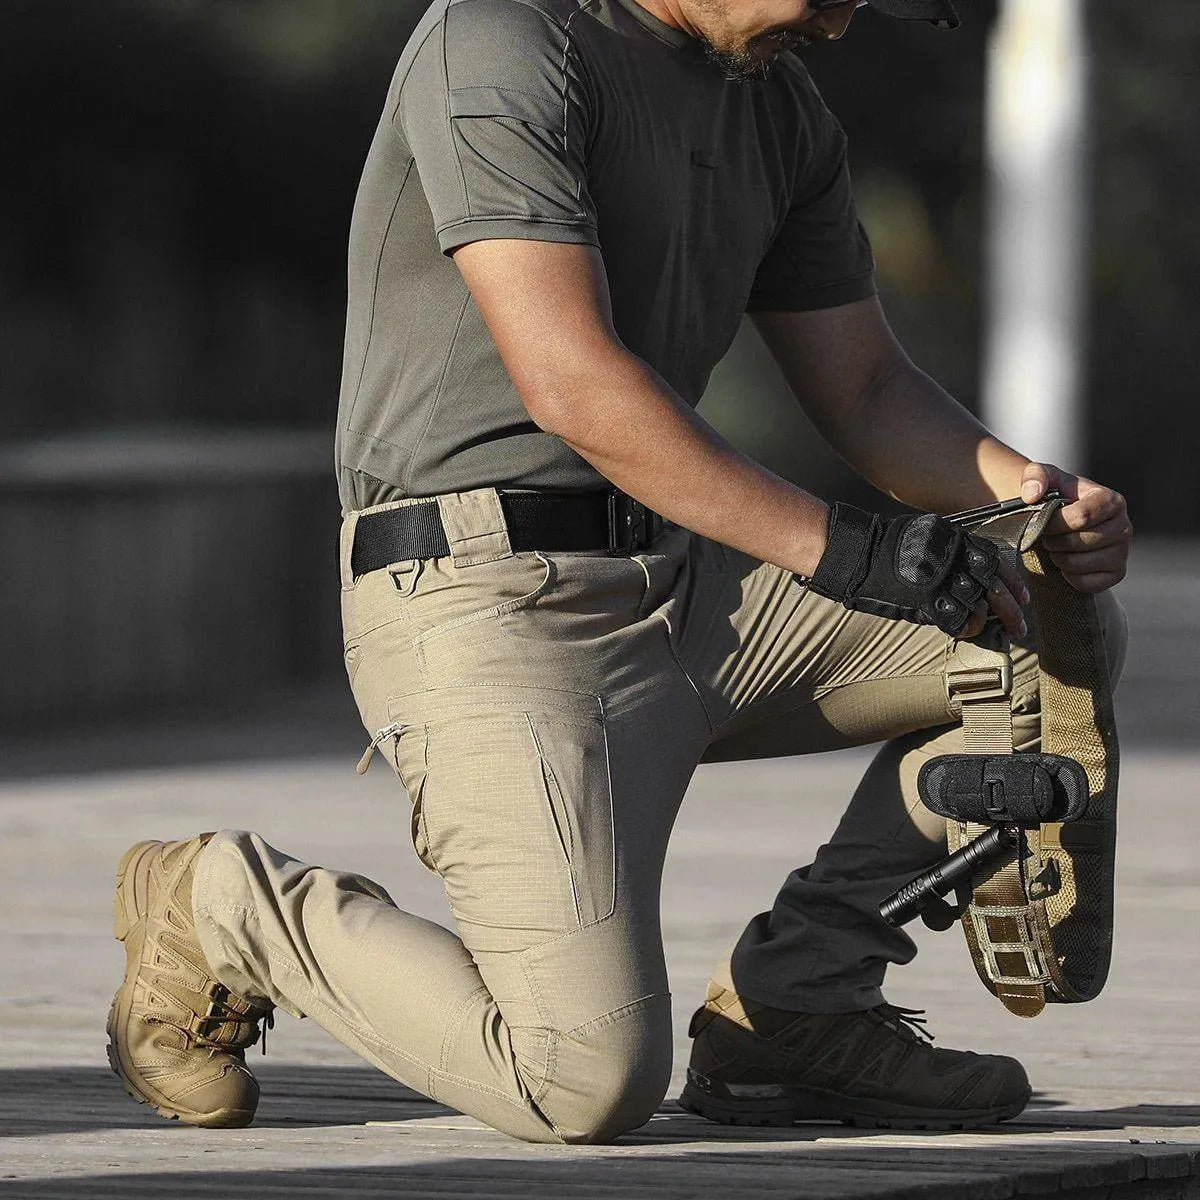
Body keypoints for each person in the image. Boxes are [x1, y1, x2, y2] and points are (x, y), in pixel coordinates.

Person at [105, 0, 1132, 1143]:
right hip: (482, 597)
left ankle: (800, 1004)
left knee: (1035, 620)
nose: (842, 27)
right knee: (583, 1078)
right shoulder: (502, 38)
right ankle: (223, 904)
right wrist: (845, 549)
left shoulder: (780, 111)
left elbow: (870, 390)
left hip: (682, 581)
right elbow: (572, 381)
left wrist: (1034, 496)